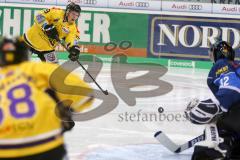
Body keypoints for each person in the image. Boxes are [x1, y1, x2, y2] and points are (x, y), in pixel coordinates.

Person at [0, 36, 94, 160]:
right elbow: (84, 94)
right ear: (24, 54)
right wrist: (65, 112)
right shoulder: (37, 68)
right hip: (46, 142)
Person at [185, 40, 240, 160]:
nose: (211, 57)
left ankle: (216, 150)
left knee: (217, 125)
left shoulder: (221, 64)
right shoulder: (236, 65)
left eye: (211, 54)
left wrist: (217, 105)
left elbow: (233, 87)